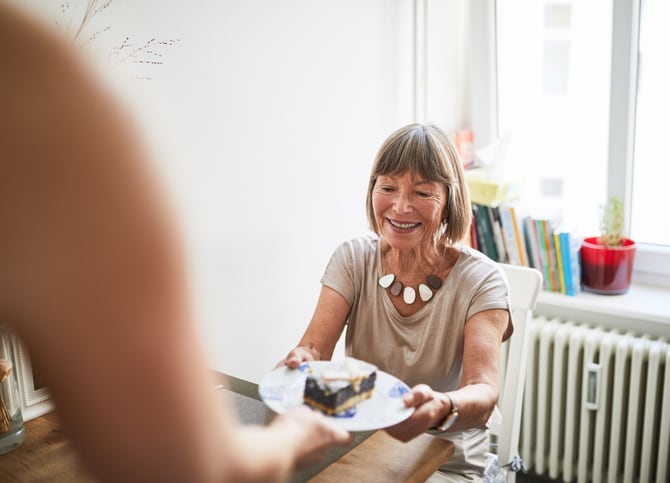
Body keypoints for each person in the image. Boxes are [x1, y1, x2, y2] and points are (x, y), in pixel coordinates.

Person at [0, 2, 350, 482]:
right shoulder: (35, 90)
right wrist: (292, 434)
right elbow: (190, 464)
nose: (400, 205)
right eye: (389, 188)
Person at [283, 123, 512, 482]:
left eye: (422, 192)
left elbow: (483, 391)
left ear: (449, 199)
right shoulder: (353, 259)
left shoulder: (481, 279)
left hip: (448, 463)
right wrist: (302, 361)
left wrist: (441, 407)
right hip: (363, 451)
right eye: (388, 187)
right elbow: (314, 348)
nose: (401, 206)